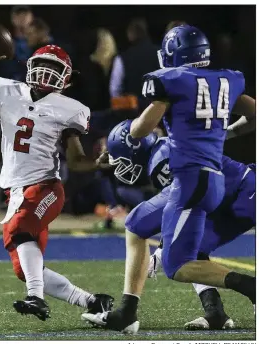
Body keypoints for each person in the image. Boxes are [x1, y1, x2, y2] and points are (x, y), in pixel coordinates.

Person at [82, 24, 256, 333]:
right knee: (136, 224)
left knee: (178, 265)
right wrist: (223, 133)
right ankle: (127, 312)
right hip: (210, 179)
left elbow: (139, 130)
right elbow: (254, 115)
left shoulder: (171, 83)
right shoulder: (225, 79)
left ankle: (251, 287)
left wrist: (127, 137)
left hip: (194, 180)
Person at [0, 44, 113, 321]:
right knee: (24, 267)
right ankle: (93, 301)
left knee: (20, 229)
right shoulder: (8, 91)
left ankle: (36, 298)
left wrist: (97, 163)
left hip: (45, 188)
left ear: (66, 78)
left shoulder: (69, 109)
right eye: (43, 64)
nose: (46, 71)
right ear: (29, 65)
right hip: (15, 192)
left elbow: (76, 160)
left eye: (55, 68)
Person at [97, 119, 255, 330]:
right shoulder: (164, 150)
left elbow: (185, 198)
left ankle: (252, 287)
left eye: (122, 160)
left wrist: (161, 249)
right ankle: (215, 312)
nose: (121, 167)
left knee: (136, 223)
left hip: (246, 192)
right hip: (233, 201)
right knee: (191, 251)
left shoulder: (163, 157)